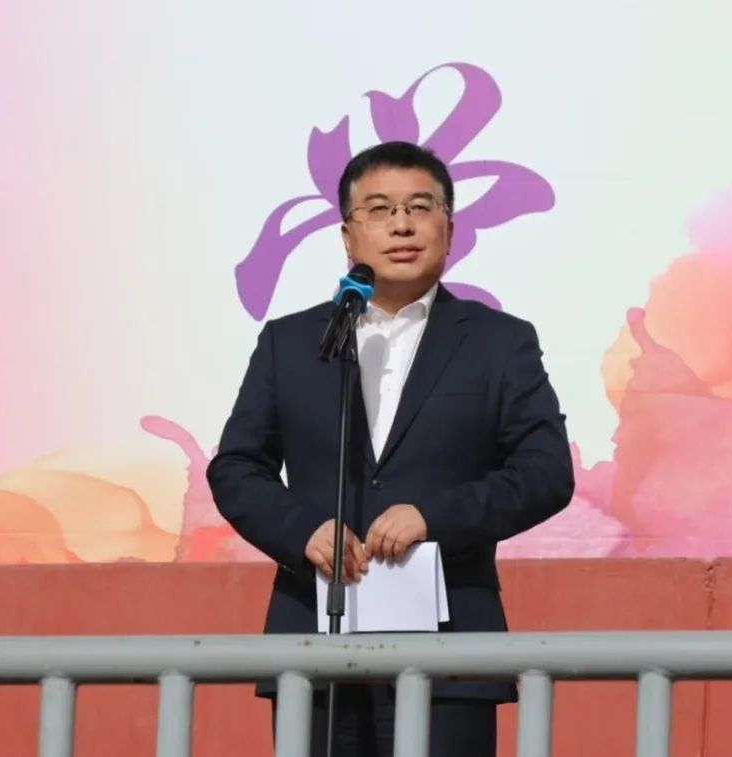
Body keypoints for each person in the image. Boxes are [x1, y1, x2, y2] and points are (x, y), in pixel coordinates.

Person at [206, 140, 574, 756]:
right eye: (378, 209)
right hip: (316, 640)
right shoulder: (291, 343)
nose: (401, 225)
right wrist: (302, 530)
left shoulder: (498, 342)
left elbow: (545, 472)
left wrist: (434, 517)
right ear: (348, 236)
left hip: (450, 648)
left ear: (449, 228)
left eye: (420, 207)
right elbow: (237, 467)